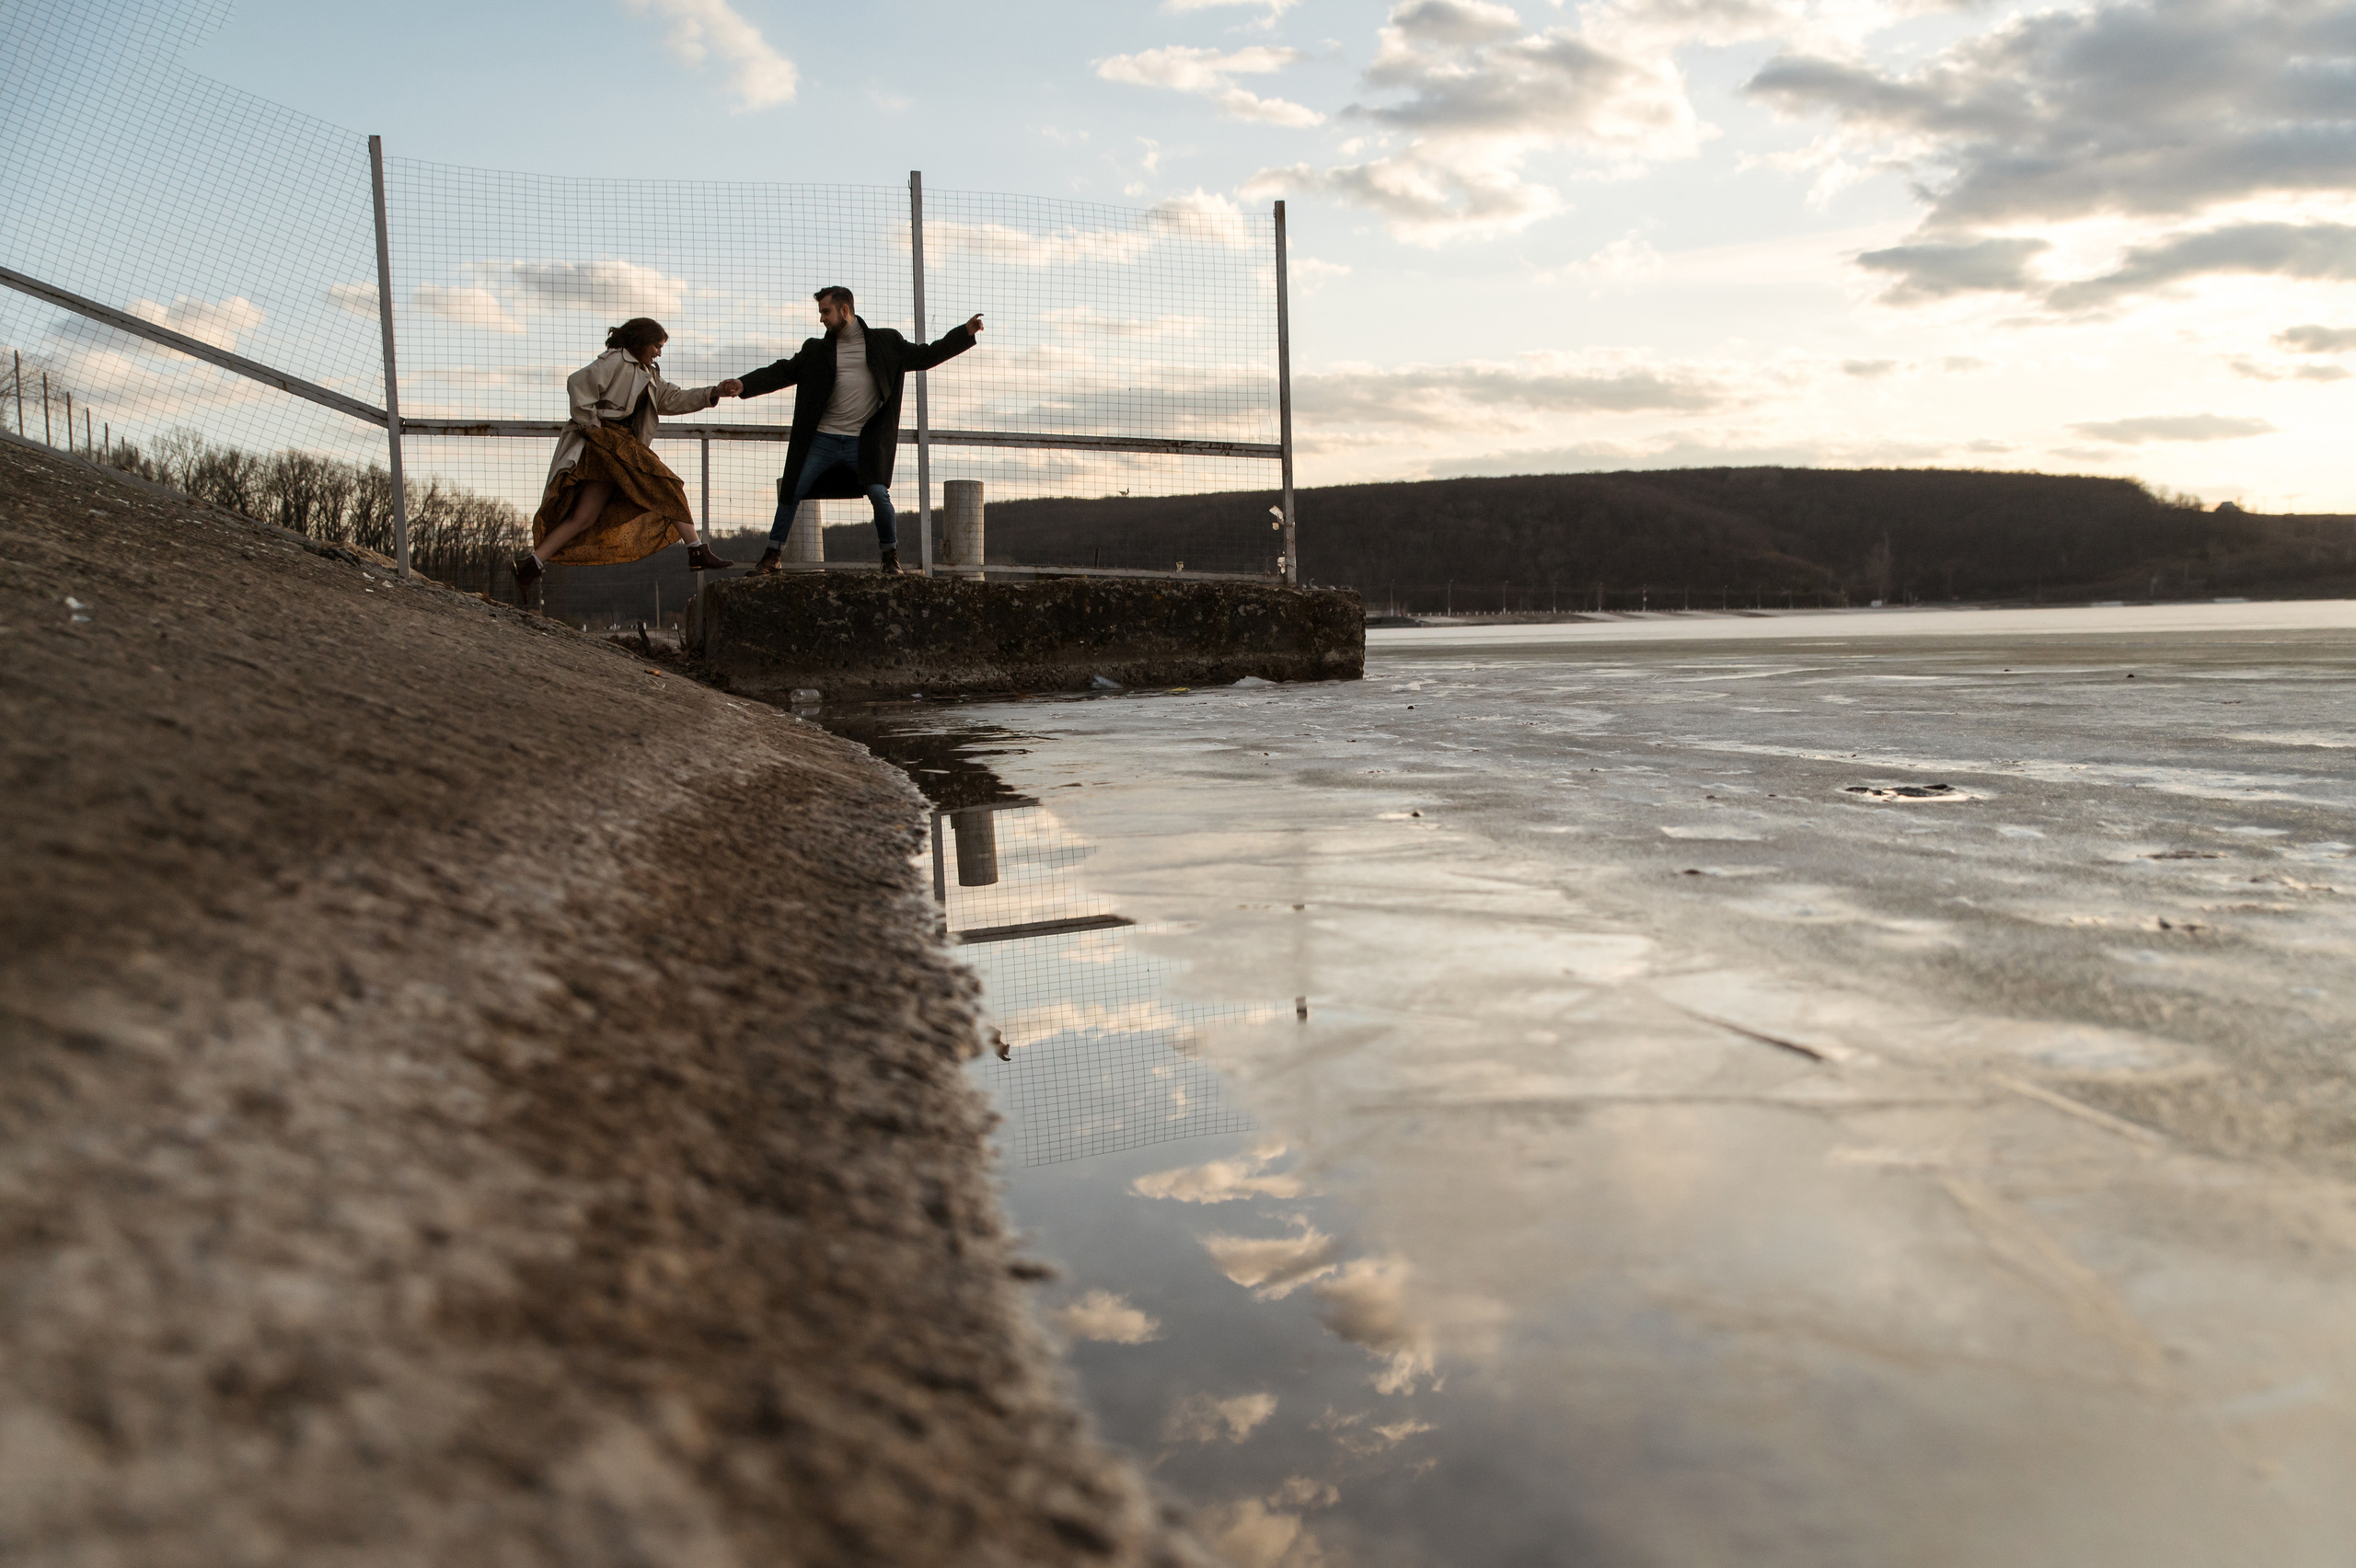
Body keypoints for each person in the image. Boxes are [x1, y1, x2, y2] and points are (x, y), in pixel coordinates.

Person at [733, 286, 984, 576]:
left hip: (863, 442)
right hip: (823, 440)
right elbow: (783, 371)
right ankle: (772, 556)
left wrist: (965, 333)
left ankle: (890, 557)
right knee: (793, 488)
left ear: (845, 310)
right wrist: (744, 385)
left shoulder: (886, 343)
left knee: (879, 494)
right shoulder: (816, 350)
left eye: (826, 312)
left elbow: (926, 356)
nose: (822, 319)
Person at [512, 317, 742, 605]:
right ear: (640, 340)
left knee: (584, 517)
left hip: (618, 445)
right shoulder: (615, 362)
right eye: (657, 346)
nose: (659, 352)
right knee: (666, 484)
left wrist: (713, 392)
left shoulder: (647, 371)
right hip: (608, 443)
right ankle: (696, 549)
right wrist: (593, 426)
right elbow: (576, 382)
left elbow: (672, 399)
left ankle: (529, 566)